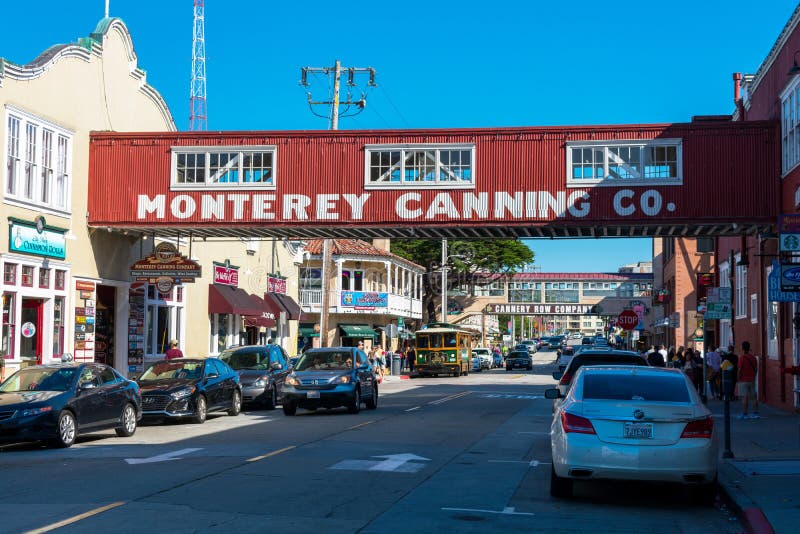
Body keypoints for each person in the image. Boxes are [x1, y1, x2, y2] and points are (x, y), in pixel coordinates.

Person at [738, 341, 759, 419]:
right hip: (752, 379)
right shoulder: (753, 358)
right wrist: (754, 376)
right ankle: (756, 413)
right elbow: (756, 369)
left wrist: (738, 378)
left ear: (742, 348)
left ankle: (745, 414)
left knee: (744, 397)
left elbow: (739, 370)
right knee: (754, 397)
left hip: (743, 380)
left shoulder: (741, 358)